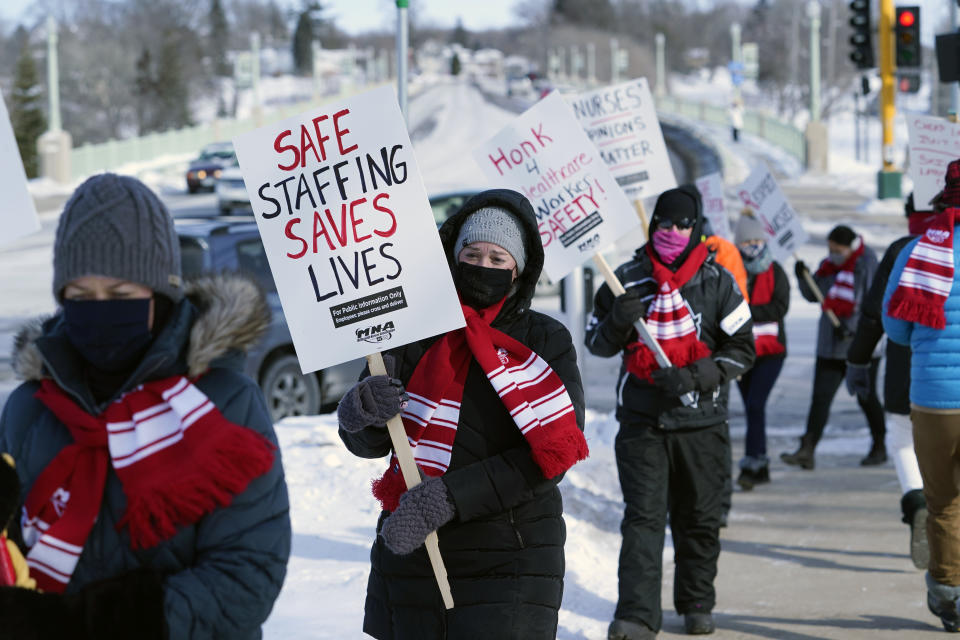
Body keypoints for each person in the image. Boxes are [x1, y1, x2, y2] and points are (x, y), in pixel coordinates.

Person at [0, 173, 291, 638]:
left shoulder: (224, 404)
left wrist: (93, 624)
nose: (99, 309)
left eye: (119, 296)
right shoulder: (29, 408)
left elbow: (247, 575)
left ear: (160, 295)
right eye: (81, 297)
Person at [337, 189, 588, 640]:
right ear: (452, 256)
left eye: (498, 258)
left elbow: (552, 456)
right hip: (414, 550)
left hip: (510, 553)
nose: (483, 267)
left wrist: (450, 498)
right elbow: (373, 444)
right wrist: (362, 411)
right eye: (472, 254)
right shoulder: (410, 328)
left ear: (520, 268)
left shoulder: (546, 340)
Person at [585, 187, 755, 639]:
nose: (674, 232)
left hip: (703, 423)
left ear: (697, 228)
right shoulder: (625, 278)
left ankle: (697, 601)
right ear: (653, 224)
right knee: (643, 519)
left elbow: (743, 350)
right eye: (666, 224)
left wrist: (696, 376)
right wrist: (618, 319)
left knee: (699, 518)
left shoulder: (718, 282)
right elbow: (595, 344)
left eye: (683, 225)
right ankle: (637, 615)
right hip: (643, 425)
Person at [883, 159, 960, 632]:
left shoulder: (917, 250)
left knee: (945, 501)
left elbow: (895, 326)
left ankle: (949, 592)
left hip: (934, 398)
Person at [846, 194, 936, 570]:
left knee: (902, 439)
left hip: (905, 365)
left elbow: (874, 314)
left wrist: (858, 359)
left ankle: (916, 501)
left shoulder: (903, 249)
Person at [782, 225, 884, 469]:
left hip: (862, 346)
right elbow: (814, 294)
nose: (833, 254)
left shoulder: (867, 264)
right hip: (830, 345)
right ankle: (807, 449)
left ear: (850, 247)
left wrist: (852, 328)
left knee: (866, 398)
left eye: (837, 250)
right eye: (830, 250)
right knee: (820, 398)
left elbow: (873, 303)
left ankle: (879, 446)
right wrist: (802, 275)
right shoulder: (828, 267)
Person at [732, 210, 789, 489]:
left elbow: (780, 307)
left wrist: (747, 312)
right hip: (742, 351)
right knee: (753, 409)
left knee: (755, 405)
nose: (753, 245)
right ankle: (760, 463)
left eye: (757, 239)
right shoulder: (732, 271)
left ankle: (751, 464)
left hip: (772, 351)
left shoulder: (775, 270)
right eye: (747, 241)